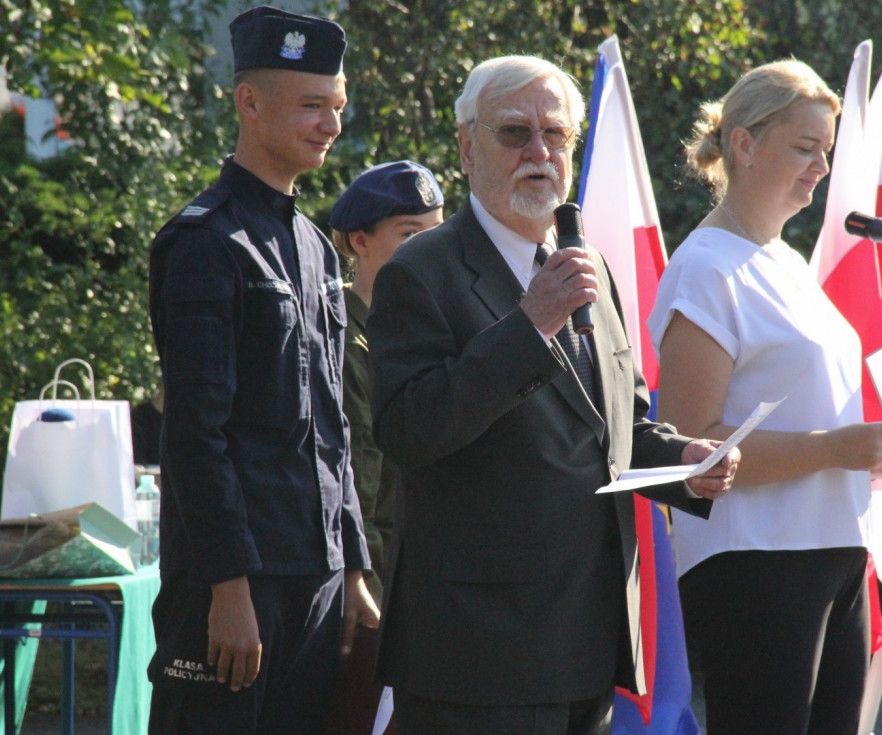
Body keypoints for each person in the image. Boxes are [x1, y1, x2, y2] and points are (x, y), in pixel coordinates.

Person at [365, 54, 742, 735]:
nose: (539, 152)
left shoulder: (587, 264)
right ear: (467, 147)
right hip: (480, 649)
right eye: (516, 133)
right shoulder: (420, 271)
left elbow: (614, 426)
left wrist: (686, 460)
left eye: (557, 134)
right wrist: (529, 326)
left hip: (589, 636)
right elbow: (409, 429)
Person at [647, 59, 882, 734]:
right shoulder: (704, 267)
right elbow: (689, 448)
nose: (821, 167)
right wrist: (835, 449)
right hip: (757, 563)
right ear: (744, 144)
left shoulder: (789, 262)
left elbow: (815, 415)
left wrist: (873, 451)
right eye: (806, 147)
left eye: (825, 151)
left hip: (835, 548)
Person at [146, 7, 378, 733]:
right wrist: (227, 585)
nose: (330, 124)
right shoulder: (206, 242)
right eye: (311, 105)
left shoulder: (314, 244)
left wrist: (352, 565)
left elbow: (333, 425)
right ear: (249, 101)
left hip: (315, 576)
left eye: (336, 105)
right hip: (233, 584)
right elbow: (194, 433)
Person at [329, 160, 444, 603]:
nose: (429, 248)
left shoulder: (432, 327)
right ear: (360, 241)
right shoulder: (344, 340)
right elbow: (362, 488)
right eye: (410, 234)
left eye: (437, 232)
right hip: (382, 584)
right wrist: (370, 596)